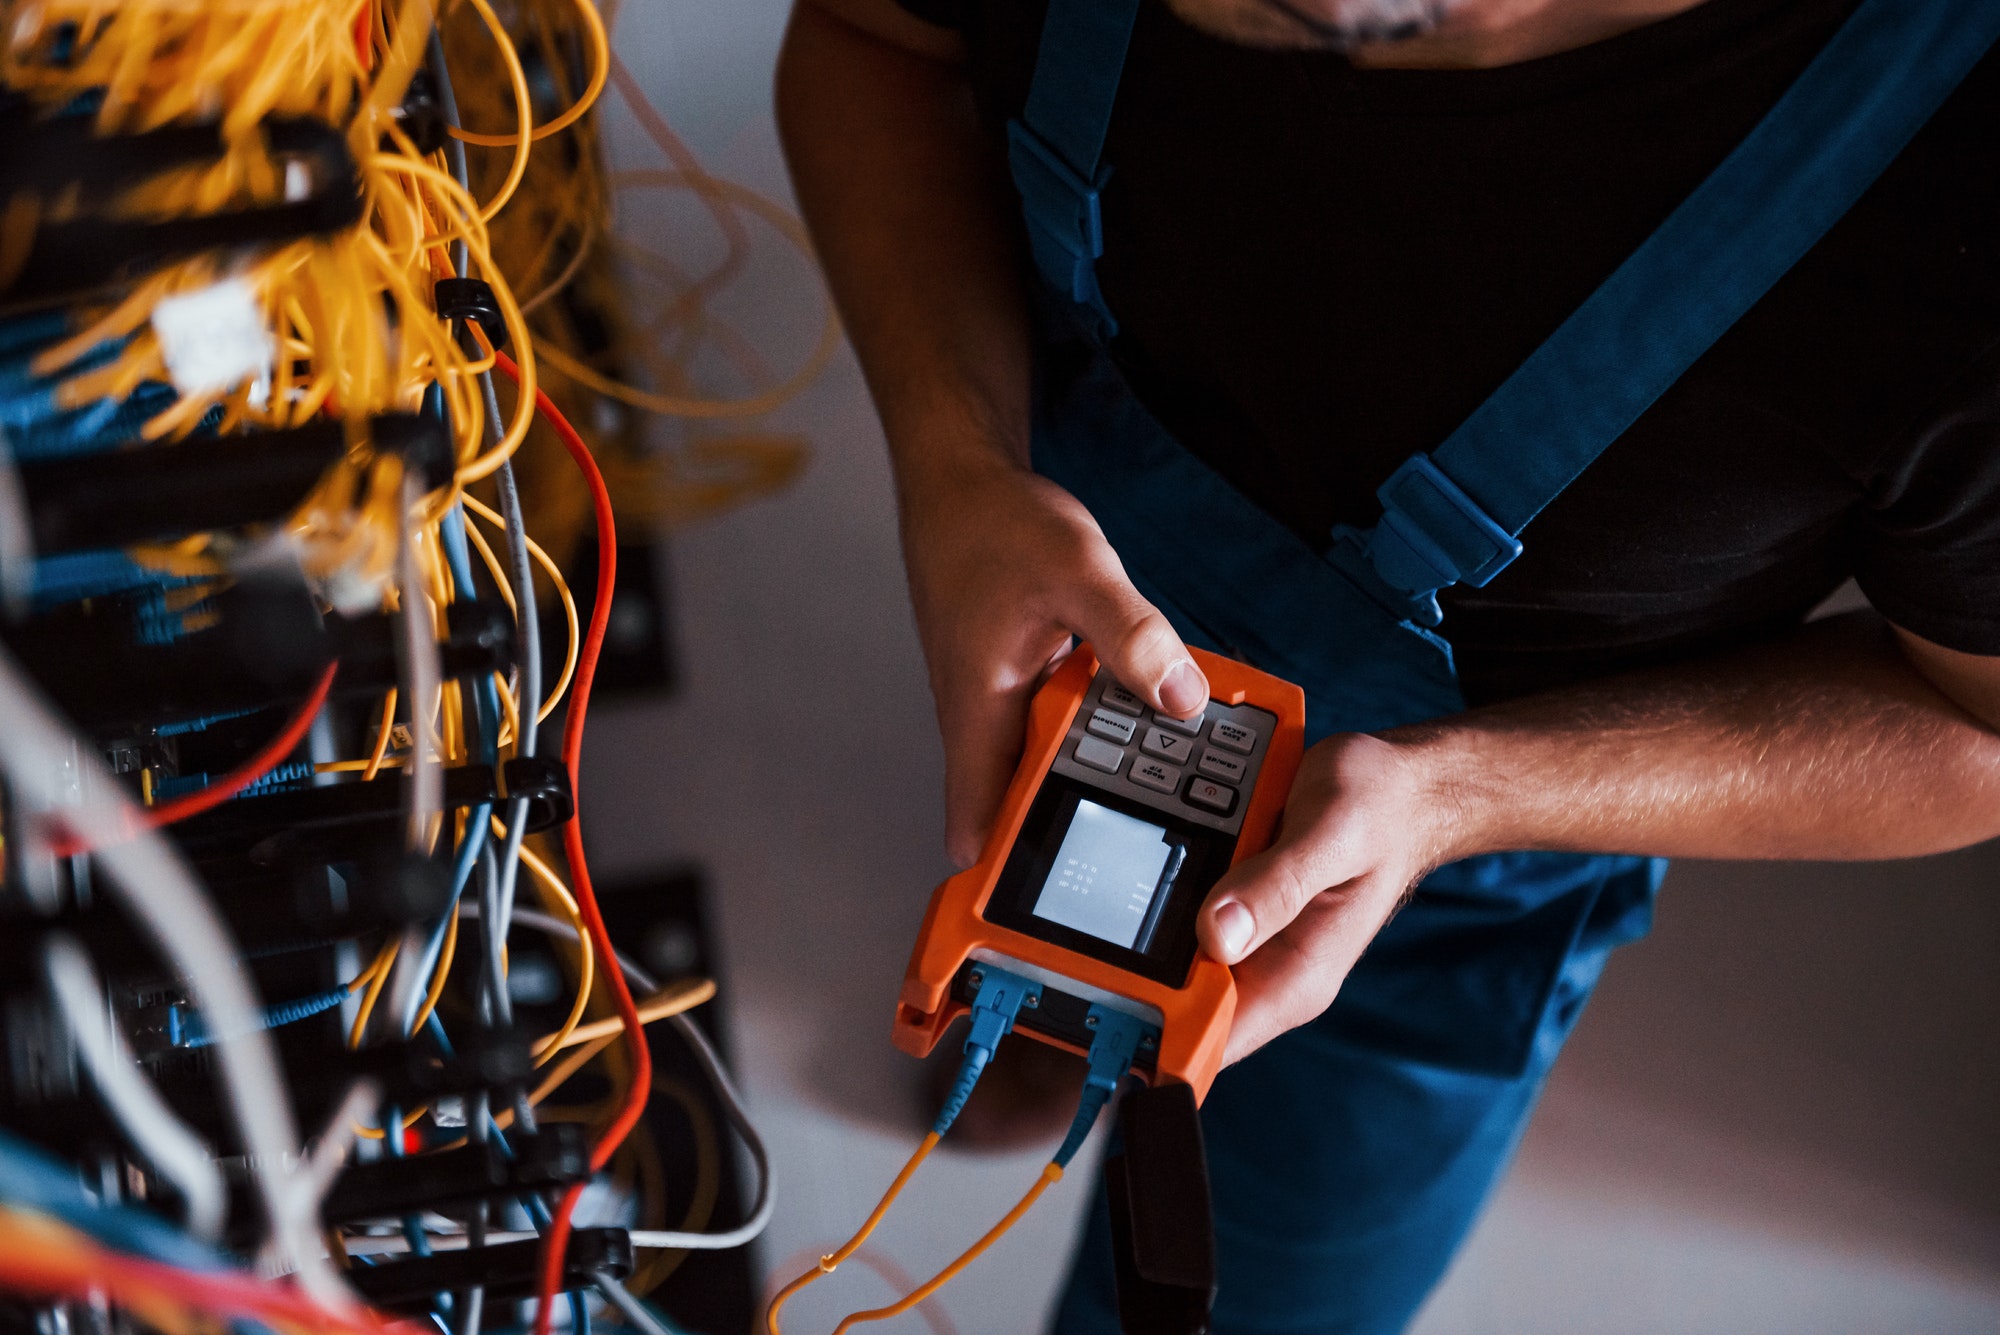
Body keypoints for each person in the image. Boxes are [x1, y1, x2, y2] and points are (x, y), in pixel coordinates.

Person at [773, 0, 2000, 1329]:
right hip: (1065, 634)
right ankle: (1059, 1024)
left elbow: (1978, 728)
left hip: (1442, 888)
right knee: (1051, 907)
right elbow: (876, 38)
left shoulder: (1956, 184)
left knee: (1246, 1296)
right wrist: (958, 464)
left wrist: (1459, 798)